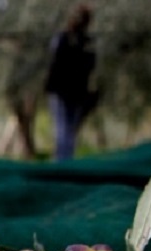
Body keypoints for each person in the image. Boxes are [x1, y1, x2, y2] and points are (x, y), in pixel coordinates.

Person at [45, 4, 98, 161]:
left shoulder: (82, 42)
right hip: (67, 92)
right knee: (65, 131)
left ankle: (64, 164)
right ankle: (63, 164)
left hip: (71, 93)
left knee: (66, 131)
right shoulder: (68, 40)